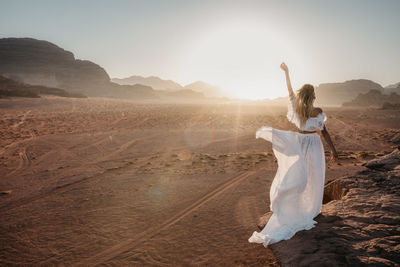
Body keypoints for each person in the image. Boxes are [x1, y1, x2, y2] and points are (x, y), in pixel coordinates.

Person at [248, 62, 338, 247]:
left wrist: (287, 73)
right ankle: (310, 209)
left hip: (300, 143)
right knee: (313, 176)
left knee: (299, 177)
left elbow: (289, 91)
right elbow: (325, 133)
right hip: (314, 144)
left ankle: (299, 208)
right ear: (313, 96)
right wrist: (333, 150)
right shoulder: (318, 111)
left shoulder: (298, 109)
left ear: (301, 95)